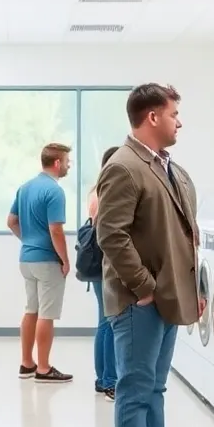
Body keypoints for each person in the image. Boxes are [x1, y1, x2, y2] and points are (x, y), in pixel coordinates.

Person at [96, 84, 206, 427]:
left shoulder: (167, 167)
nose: (180, 121)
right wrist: (142, 286)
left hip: (167, 298)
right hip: (140, 302)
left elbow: (184, 235)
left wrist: (192, 289)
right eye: (174, 113)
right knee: (135, 391)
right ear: (152, 118)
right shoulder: (125, 166)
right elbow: (112, 235)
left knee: (155, 388)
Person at [7, 143, 74, 383]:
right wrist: (65, 260)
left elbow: (11, 221)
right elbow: (56, 230)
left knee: (31, 309)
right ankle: (43, 368)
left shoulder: (25, 188)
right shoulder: (54, 191)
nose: (69, 165)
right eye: (67, 161)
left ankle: (27, 363)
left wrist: (28, 240)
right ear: (57, 163)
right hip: (47, 261)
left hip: (26, 259)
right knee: (47, 314)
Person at [87, 145, 119, 401]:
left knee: (104, 322)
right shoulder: (104, 193)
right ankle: (109, 380)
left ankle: (103, 378)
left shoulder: (95, 191)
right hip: (105, 266)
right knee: (108, 322)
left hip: (98, 266)